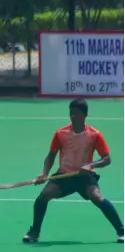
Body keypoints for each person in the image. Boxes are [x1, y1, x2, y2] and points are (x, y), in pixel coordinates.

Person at [23, 98, 124, 243]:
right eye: (71, 113)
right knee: (44, 195)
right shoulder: (60, 133)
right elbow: (51, 156)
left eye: (76, 113)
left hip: (85, 175)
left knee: (97, 197)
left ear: (85, 115)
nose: (73, 116)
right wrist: (44, 174)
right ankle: (34, 232)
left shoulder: (95, 135)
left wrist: (90, 165)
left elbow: (107, 159)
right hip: (64, 175)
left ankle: (121, 230)